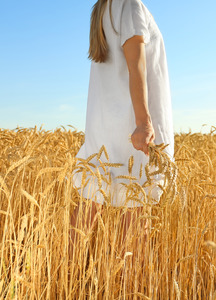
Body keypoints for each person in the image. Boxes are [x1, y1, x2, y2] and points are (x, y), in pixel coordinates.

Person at [69, 0, 174, 260]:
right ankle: (131, 289)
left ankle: (61, 280)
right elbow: (135, 64)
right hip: (132, 129)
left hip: (105, 126)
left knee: (90, 204)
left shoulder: (106, 8)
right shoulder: (130, 5)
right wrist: (144, 122)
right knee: (136, 213)